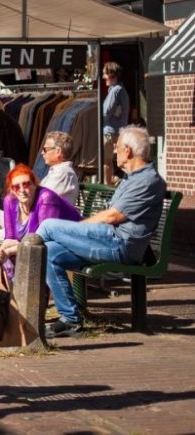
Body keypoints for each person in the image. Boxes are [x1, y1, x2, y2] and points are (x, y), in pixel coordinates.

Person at [36, 125, 166, 337]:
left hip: (120, 244)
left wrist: (76, 230)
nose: (113, 151)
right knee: (50, 251)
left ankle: (17, 261)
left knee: (49, 226)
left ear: (127, 150)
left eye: (116, 147)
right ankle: (70, 320)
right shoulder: (131, 177)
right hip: (110, 239)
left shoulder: (147, 180)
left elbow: (112, 216)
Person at [0, 164, 80, 281]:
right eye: (16, 187)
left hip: (70, 243)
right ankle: (14, 294)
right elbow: (10, 237)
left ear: (35, 184)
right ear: (12, 189)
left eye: (26, 184)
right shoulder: (10, 200)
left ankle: (30, 295)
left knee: (21, 256)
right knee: (6, 257)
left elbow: (41, 242)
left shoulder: (45, 198)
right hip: (37, 246)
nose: (22, 190)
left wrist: (9, 251)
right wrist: (1, 251)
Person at [101, 61, 130, 184]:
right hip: (118, 131)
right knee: (121, 161)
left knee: (106, 162)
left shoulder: (115, 91)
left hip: (110, 132)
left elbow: (105, 112)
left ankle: (106, 189)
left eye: (105, 74)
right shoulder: (120, 90)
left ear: (112, 74)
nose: (103, 77)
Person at [39, 130, 79, 205]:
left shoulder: (63, 173)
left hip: (55, 216)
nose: (42, 153)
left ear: (58, 151)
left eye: (45, 149)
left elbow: (43, 197)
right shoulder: (59, 171)